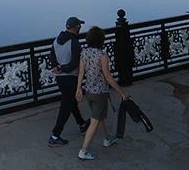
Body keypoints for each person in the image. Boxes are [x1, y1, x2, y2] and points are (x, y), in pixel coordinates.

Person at [75, 26, 129, 161]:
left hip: (88, 91)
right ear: (101, 40)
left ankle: (107, 139)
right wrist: (122, 92)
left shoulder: (84, 53)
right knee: (95, 121)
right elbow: (108, 77)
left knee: (99, 117)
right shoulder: (102, 55)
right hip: (100, 93)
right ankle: (83, 151)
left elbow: (81, 72)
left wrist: (78, 88)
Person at [47, 16, 89, 147]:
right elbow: (75, 63)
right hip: (71, 77)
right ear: (76, 27)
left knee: (71, 102)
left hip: (60, 78)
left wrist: (56, 67)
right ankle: (55, 135)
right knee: (66, 106)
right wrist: (62, 68)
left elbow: (51, 56)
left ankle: (82, 124)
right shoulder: (74, 42)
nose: (80, 28)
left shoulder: (56, 40)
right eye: (79, 26)